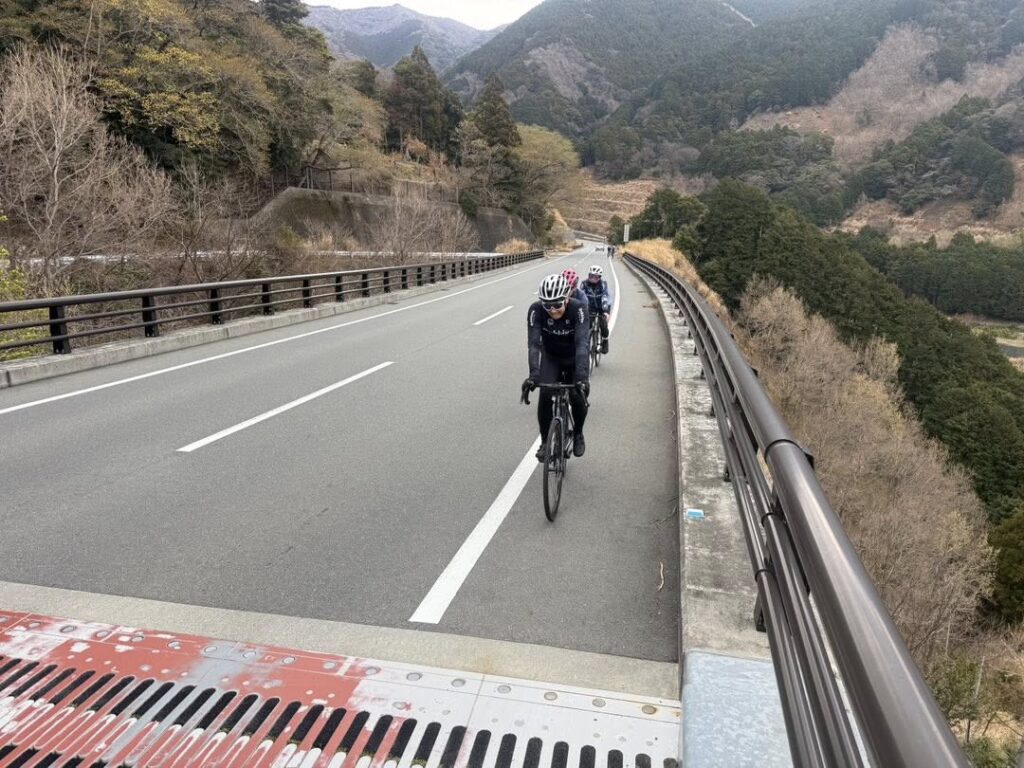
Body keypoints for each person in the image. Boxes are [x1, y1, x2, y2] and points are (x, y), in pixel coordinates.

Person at [523, 274, 590, 461]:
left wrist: (582, 377)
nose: (552, 310)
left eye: (557, 304)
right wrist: (533, 375)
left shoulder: (579, 309)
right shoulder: (535, 310)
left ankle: (578, 433)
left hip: (574, 357)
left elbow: (582, 344)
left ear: (567, 298)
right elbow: (534, 345)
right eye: (547, 305)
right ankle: (545, 441)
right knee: (545, 394)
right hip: (551, 357)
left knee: (577, 396)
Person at [582, 265, 612, 354]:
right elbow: (581, 298)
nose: (592, 278)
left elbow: (605, 297)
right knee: (587, 325)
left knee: (603, 325)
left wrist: (605, 311)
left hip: (603, 306)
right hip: (590, 307)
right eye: (591, 276)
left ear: (599, 277)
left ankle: (605, 341)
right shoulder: (584, 284)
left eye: (595, 277)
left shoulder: (603, 284)